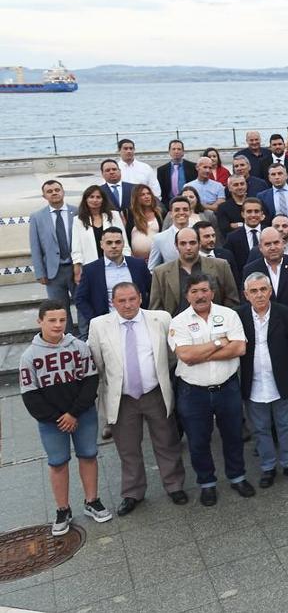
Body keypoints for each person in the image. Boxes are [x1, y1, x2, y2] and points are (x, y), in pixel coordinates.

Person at [88, 283, 186, 515]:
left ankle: (174, 485)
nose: (128, 305)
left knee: (167, 442)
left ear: (140, 298)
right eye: (121, 301)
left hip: (155, 393)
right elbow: (97, 364)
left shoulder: (160, 319)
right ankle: (133, 493)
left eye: (132, 299)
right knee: (128, 448)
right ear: (113, 302)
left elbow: (171, 355)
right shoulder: (99, 325)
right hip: (122, 398)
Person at [20, 301, 112, 534]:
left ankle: (92, 501)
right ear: (40, 321)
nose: (58, 325)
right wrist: (59, 417)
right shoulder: (29, 356)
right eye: (52, 320)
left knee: (88, 455)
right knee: (58, 462)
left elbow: (91, 382)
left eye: (62, 320)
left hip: (82, 414)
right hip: (52, 422)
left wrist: (73, 413)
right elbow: (31, 397)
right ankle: (63, 509)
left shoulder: (79, 347)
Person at [168, 273, 252, 505]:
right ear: (187, 296)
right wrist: (218, 342)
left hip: (227, 388)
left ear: (212, 293)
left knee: (233, 436)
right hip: (193, 393)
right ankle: (207, 484)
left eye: (204, 290)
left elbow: (239, 349)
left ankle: (237, 477)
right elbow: (186, 356)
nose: (200, 296)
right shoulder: (178, 322)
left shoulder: (229, 315)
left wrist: (201, 354)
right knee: (198, 441)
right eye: (194, 291)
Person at [237, 273, 288, 488]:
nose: (259, 295)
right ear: (246, 295)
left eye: (263, 289)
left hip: (281, 381)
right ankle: (268, 467)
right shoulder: (238, 316)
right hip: (253, 383)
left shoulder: (286, 315)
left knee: (286, 425)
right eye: (254, 291)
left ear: (270, 291)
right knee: (260, 428)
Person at [150, 227, 239, 315]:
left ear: (199, 244)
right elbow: (156, 310)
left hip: (214, 322)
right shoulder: (160, 273)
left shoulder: (220, 266)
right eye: (183, 244)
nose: (188, 247)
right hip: (176, 322)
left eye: (192, 243)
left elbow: (232, 301)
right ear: (176, 246)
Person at [74, 227, 152, 327]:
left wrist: (147, 312)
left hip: (139, 320)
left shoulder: (138, 265)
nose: (114, 246)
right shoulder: (91, 270)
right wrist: (95, 320)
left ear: (123, 243)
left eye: (118, 242)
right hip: (106, 323)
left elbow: (152, 290)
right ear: (101, 244)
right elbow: (80, 299)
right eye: (109, 243)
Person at [30, 180, 79, 330]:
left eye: (57, 190)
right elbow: (35, 247)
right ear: (44, 196)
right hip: (53, 272)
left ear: (63, 191)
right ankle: (66, 336)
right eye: (49, 191)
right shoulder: (37, 217)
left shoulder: (77, 212)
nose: (54, 193)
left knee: (83, 304)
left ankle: (85, 335)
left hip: (77, 268)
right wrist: (40, 273)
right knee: (59, 309)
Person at [71, 185, 131, 282]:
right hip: (91, 265)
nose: (95, 200)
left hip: (115, 263)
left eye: (98, 197)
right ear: (86, 199)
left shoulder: (114, 215)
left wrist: (127, 260)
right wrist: (77, 268)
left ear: (103, 199)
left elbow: (124, 242)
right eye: (91, 197)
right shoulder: (78, 220)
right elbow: (76, 247)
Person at [128, 184, 164, 261]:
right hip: (136, 260)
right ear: (136, 198)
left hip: (156, 259)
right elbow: (126, 236)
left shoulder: (160, 213)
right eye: (142, 195)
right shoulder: (130, 215)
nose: (147, 196)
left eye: (148, 193)